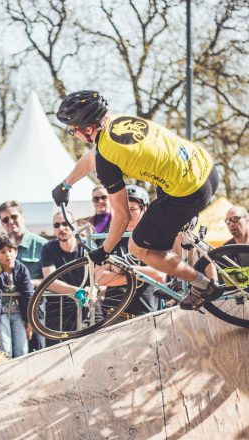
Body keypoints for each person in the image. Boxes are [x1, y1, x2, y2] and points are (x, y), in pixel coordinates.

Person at [52, 90, 221, 311]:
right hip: (205, 168)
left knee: (138, 247)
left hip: (188, 190)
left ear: (88, 129)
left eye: (72, 130)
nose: (72, 134)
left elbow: (122, 217)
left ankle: (204, 285)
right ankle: (194, 270)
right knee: (170, 229)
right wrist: (66, 184)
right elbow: (94, 155)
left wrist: (105, 250)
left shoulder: (107, 160)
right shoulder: (117, 122)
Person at [95, 185, 166, 316]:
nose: (126, 214)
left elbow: (160, 276)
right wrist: (142, 276)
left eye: (132, 209)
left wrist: (124, 270)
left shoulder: (154, 237)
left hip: (144, 315)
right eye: (123, 209)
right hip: (112, 314)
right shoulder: (109, 237)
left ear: (144, 209)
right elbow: (99, 278)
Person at [0, 200, 47, 351]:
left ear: (22, 216)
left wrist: (32, 283)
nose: (10, 222)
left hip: (34, 308)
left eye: (14, 216)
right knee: (4, 351)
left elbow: (53, 277)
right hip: (3, 311)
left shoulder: (42, 245)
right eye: (5, 219)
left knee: (35, 350)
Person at [41, 210, 88, 346]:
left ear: (74, 225)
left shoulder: (87, 245)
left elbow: (100, 276)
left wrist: (94, 290)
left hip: (88, 307)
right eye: (56, 225)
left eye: (65, 223)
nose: (61, 228)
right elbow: (50, 281)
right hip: (57, 311)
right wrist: (78, 292)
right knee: (54, 352)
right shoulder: (48, 248)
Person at [0, 236, 33, 358]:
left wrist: (30, 322)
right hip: (2, 314)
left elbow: (28, 295)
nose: (7, 254)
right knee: (5, 349)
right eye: (2, 252)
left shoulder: (22, 269)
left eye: (10, 250)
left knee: (22, 348)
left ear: (16, 252)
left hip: (19, 313)